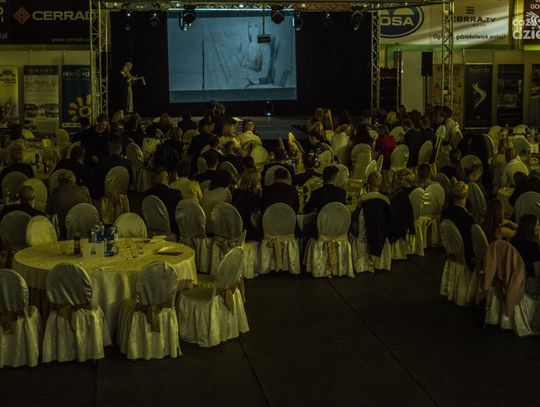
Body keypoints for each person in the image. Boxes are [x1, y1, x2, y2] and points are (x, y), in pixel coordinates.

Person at [46, 170, 92, 239]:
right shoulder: (83, 190)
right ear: (73, 179)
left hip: (65, 229)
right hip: (84, 226)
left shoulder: (56, 192)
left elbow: (49, 210)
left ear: (59, 181)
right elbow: (90, 207)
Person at [441, 181, 474, 268]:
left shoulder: (445, 212)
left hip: (451, 252)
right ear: (467, 195)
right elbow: (469, 243)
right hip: (465, 256)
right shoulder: (467, 218)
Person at [144, 167, 182, 235]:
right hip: (173, 231)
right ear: (167, 179)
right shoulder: (175, 194)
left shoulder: (146, 193)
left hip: (152, 229)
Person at [510, 214, 540, 295]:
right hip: (528, 281)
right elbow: (537, 272)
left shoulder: (513, 241)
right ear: (531, 228)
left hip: (514, 278)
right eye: (537, 225)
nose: (539, 227)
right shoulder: (533, 245)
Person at [232, 168, 263, 241]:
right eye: (259, 181)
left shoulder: (235, 193)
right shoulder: (254, 197)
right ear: (254, 183)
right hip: (249, 232)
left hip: (235, 228)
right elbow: (257, 217)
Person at [390, 169, 416, 242]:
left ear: (407, 180)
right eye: (397, 179)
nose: (397, 181)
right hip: (408, 220)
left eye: (400, 179)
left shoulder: (401, 194)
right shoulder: (415, 189)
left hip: (401, 223)